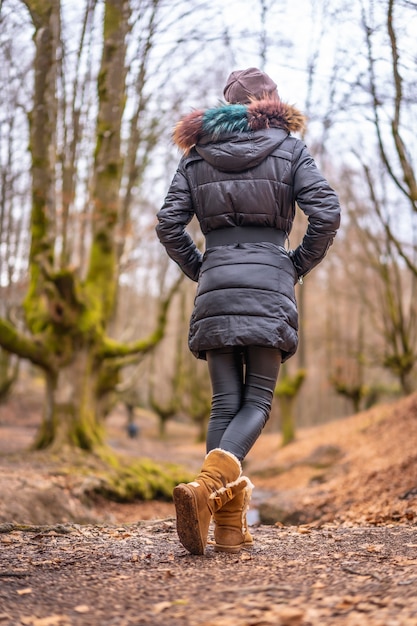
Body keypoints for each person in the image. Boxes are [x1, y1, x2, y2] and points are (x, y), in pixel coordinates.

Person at [156, 67, 341, 555]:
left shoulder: (196, 157)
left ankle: (231, 530)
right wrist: (295, 265)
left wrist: (202, 269)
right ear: (268, 101)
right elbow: (326, 213)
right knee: (256, 401)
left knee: (224, 404)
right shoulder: (289, 149)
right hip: (269, 281)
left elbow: (168, 224)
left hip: (216, 281)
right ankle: (205, 491)